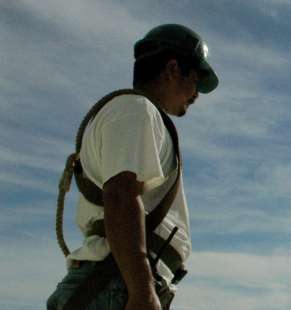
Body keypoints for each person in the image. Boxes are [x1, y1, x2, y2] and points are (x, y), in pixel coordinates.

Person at [47, 24, 219, 310]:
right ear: (173, 68)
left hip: (116, 283)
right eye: (196, 79)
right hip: (116, 285)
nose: (197, 93)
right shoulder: (136, 110)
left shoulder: (135, 112)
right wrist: (142, 291)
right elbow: (120, 195)